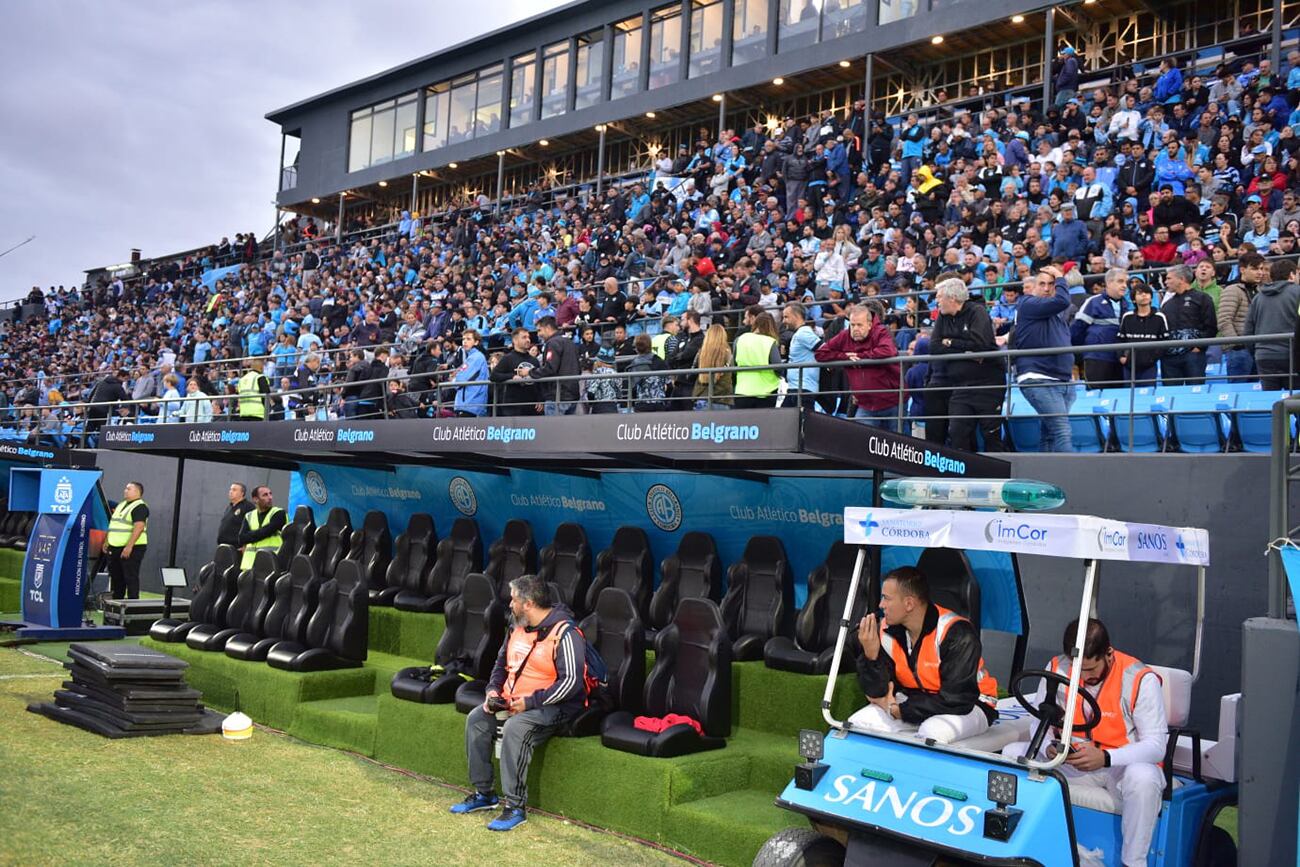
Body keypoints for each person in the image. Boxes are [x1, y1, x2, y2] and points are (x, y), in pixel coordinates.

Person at [1003, 619, 1165, 867]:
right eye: (1078, 669)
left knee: (1143, 777)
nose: (1083, 677)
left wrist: (1106, 757)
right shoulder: (1057, 667)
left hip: (1118, 765)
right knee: (1014, 753)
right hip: (1074, 760)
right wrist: (1048, 745)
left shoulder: (1140, 679)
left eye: (1090, 670)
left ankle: (1133, 862)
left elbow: (1155, 745)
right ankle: (1019, 846)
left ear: (1109, 653)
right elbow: (1039, 719)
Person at [454, 575, 587, 832]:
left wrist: (530, 702)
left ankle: (515, 806)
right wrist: (493, 693)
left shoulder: (566, 633)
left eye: (514, 599)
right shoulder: (515, 627)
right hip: (513, 701)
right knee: (476, 720)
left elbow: (571, 683)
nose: (510, 605)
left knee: (516, 728)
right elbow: (500, 665)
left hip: (553, 707)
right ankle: (485, 795)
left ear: (528, 603)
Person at [850, 566, 998, 743]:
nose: (881, 605)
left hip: (971, 705)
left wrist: (899, 711)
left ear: (909, 604)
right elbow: (878, 692)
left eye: (886, 598)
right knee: (858, 722)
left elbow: (958, 700)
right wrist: (871, 655)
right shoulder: (886, 631)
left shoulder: (957, 632)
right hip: (916, 700)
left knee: (932, 730)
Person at [930, 278, 1005, 451]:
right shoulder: (943, 316)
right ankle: (965, 474)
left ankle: (998, 474)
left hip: (988, 384)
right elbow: (934, 347)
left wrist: (950, 342)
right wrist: (965, 351)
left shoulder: (977, 312)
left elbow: (980, 344)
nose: (937, 301)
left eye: (940, 297)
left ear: (953, 298)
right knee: (957, 432)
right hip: (960, 386)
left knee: (990, 433)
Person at [1012, 264, 1075, 452]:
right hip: (1038, 378)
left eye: (1052, 284)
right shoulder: (1027, 303)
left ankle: (1046, 476)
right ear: (1032, 287)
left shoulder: (1057, 315)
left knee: (1049, 434)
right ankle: (1074, 476)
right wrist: (1059, 276)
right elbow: (1063, 301)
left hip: (1062, 381)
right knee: (1062, 431)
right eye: (1042, 284)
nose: (1047, 289)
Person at [813, 301, 901, 429]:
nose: (855, 329)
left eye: (859, 325)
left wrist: (860, 356)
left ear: (870, 324)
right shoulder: (846, 334)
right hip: (865, 404)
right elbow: (820, 354)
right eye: (852, 325)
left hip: (892, 401)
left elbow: (888, 351)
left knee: (897, 445)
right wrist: (844, 356)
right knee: (863, 444)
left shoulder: (881, 331)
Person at [1244, 257, 1300, 390]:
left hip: (1263, 356)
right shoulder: (1298, 292)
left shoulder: (1258, 297)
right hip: (1292, 356)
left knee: (1271, 403)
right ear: (1292, 275)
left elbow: (1248, 330)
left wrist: (1257, 351)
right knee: (1296, 403)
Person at [1071, 268, 1131, 388]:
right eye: (1120, 281)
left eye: (1126, 282)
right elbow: (1077, 330)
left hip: (1120, 360)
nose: (1124, 286)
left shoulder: (1128, 305)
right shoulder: (1093, 302)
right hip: (1097, 358)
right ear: (1108, 283)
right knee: (1096, 395)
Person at [1159, 264, 1217, 385]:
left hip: (1193, 355)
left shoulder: (1202, 298)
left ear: (1181, 279)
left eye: (1169, 278)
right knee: (1171, 394)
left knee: (1195, 392)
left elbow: (1211, 326)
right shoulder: (1167, 304)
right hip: (1169, 357)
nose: (1166, 282)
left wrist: (1199, 347)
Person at [1116, 282, 1170, 385]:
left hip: (1149, 366)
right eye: (1139, 293)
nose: (1144, 295)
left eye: (1146, 293)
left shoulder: (1160, 317)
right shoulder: (1127, 317)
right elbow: (1120, 339)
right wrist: (1121, 357)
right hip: (1129, 365)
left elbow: (1165, 341)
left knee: (1147, 394)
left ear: (1151, 296)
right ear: (1133, 299)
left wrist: (1152, 358)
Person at [526, 316, 581, 415]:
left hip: (558, 396)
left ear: (548, 328)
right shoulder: (569, 341)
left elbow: (550, 368)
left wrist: (530, 372)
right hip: (572, 394)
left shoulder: (553, 343)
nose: (538, 334)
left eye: (539, 330)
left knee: (553, 430)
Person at [105, 481, 148, 600]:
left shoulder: (140, 506)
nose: (125, 490)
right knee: (116, 578)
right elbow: (114, 524)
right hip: (114, 547)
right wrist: (106, 541)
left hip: (132, 548)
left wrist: (129, 547)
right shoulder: (121, 505)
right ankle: (116, 608)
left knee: (130, 577)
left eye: (129, 489)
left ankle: (132, 608)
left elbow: (139, 527)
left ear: (137, 491)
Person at [733, 310, 783, 408]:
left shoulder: (739, 339)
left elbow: (734, 363)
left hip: (742, 390)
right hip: (767, 391)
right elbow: (778, 367)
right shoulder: (770, 342)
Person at [490, 328, 539, 416]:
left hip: (532, 406)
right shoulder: (508, 358)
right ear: (515, 340)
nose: (528, 340)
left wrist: (541, 399)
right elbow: (494, 375)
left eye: (528, 337)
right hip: (513, 406)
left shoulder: (534, 361)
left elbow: (540, 382)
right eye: (524, 337)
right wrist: (511, 376)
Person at [237, 486, 286, 570]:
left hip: (271, 563)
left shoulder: (279, 513)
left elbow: (266, 531)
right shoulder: (249, 515)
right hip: (249, 565)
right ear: (256, 499)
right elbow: (241, 538)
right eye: (265, 495)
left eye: (270, 494)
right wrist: (259, 533)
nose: (270, 497)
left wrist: (249, 536)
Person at [216, 482, 253, 549]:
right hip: (223, 547)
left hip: (236, 549)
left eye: (234, 490)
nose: (231, 492)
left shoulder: (248, 507)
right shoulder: (229, 507)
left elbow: (253, 528)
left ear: (242, 493)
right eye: (230, 489)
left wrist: (245, 546)